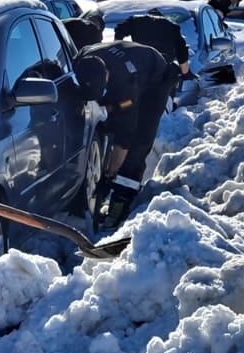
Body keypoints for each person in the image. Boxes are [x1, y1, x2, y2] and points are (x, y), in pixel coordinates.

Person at [74, 41, 178, 228]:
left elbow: (125, 135)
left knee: (139, 141)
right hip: (125, 62)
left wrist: (110, 173)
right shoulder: (81, 59)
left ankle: (120, 205)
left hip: (154, 79)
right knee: (113, 121)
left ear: (106, 76)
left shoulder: (125, 83)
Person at [116, 9, 190, 77]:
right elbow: (181, 50)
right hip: (162, 65)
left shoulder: (135, 20)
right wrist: (185, 73)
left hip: (141, 63)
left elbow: (120, 29)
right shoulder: (172, 26)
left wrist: (117, 46)